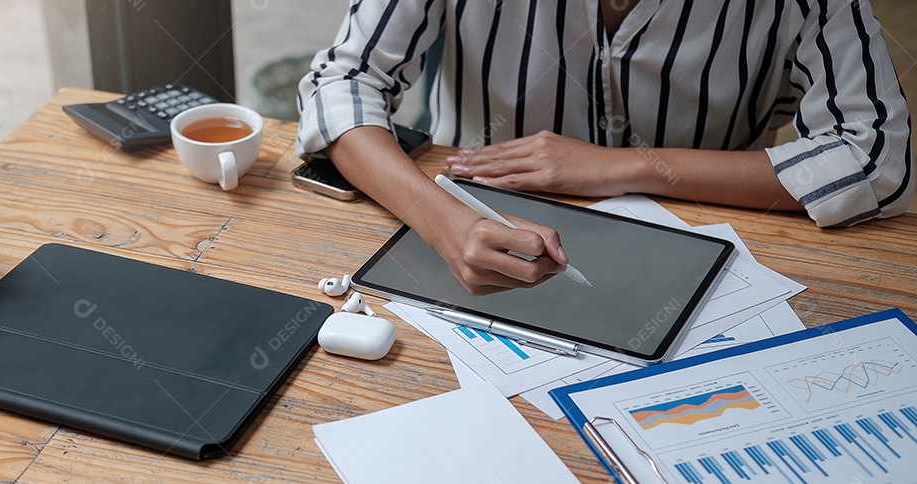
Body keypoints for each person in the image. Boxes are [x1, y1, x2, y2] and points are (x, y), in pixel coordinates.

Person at [296, 0, 914, 295]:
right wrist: (442, 221)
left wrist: (631, 167)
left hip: (705, 252)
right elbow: (343, 81)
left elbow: (876, 159)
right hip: (480, 221)